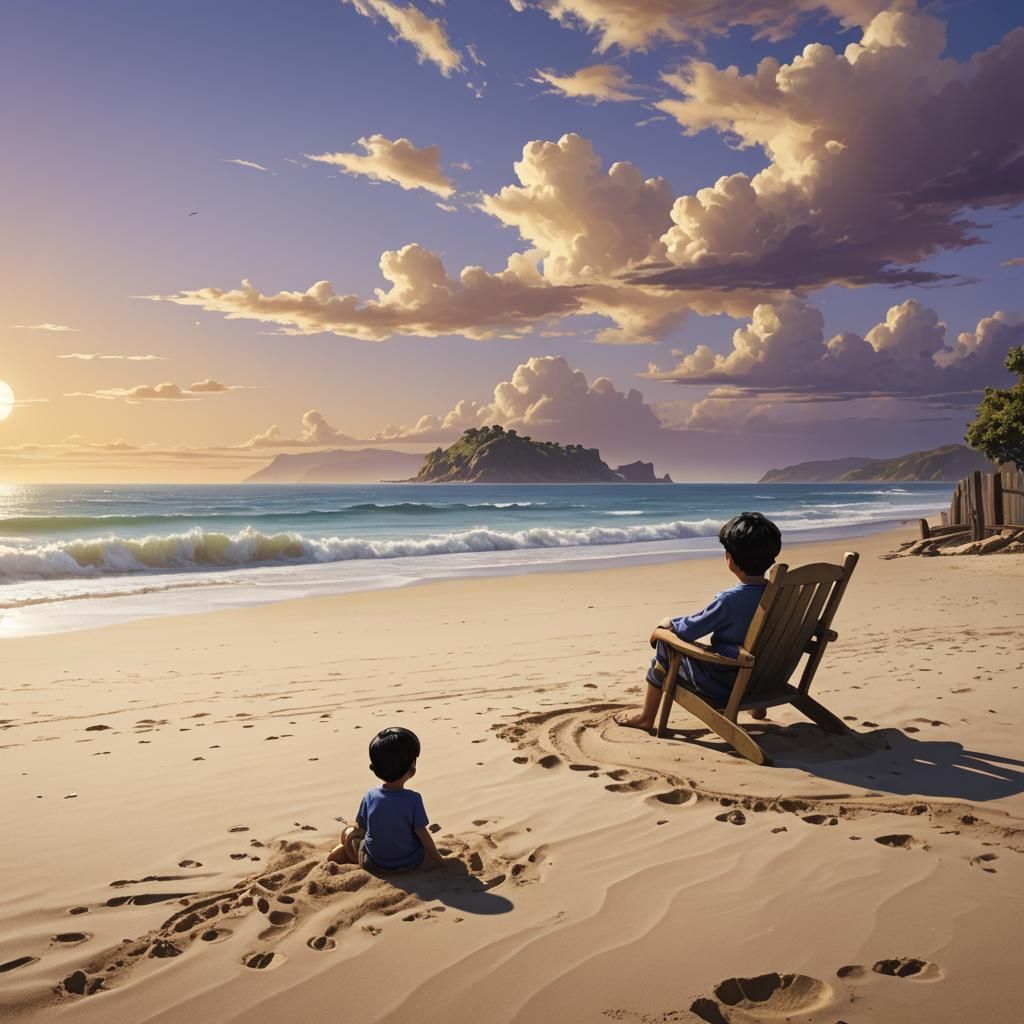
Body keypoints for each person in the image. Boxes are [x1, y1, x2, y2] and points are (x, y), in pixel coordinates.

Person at [616, 512, 782, 731]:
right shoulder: (782, 594)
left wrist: (666, 626)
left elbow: (689, 631)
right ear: (772, 557)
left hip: (726, 683)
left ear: (730, 558)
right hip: (766, 678)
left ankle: (646, 718)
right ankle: (758, 709)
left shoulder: (729, 600)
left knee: (666, 644)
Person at [329, 726, 446, 871]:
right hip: (411, 862)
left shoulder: (370, 796)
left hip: (374, 863)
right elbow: (422, 833)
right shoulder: (413, 799)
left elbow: (362, 826)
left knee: (350, 831)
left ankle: (345, 851)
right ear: (412, 768)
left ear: (375, 768)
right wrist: (440, 861)